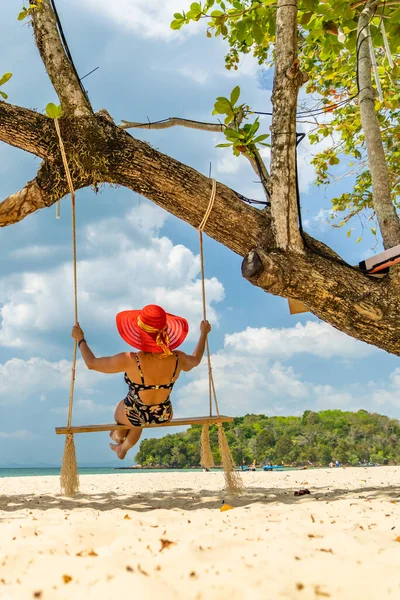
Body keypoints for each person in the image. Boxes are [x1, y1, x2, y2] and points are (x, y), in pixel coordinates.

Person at [72, 304, 211, 459]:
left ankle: (118, 438)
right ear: (165, 331)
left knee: (130, 417)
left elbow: (92, 363)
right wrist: (203, 334)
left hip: (134, 414)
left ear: (139, 333)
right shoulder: (178, 358)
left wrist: (80, 339)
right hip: (163, 414)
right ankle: (122, 448)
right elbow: (196, 360)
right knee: (139, 420)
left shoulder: (131, 360)